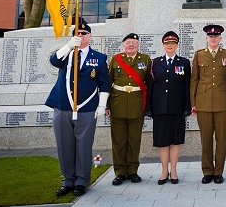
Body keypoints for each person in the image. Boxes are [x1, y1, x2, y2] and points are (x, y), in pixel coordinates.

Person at [46, 21, 110, 197]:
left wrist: (102, 105)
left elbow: (104, 83)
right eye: (78, 33)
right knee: (64, 144)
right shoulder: (66, 53)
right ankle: (68, 180)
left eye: (84, 33)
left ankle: (81, 180)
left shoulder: (99, 57)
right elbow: (54, 61)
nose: (81, 36)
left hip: (87, 107)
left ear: (90, 36)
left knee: (84, 145)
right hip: (63, 105)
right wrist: (68, 46)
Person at [145, 31, 191, 185]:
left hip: (177, 108)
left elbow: (187, 87)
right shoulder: (154, 63)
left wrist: (187, 107)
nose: (170, 46)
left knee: (175, 141)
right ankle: (164, 171)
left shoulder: (183, 62)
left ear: (177, 45)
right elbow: (151, 87)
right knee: (163, 141)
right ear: (163, 45)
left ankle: (174, 171)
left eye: (173, 43)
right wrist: (149, 107)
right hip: (160, 109)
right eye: (167, 43)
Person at [106, 32, 151, 185]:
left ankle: (133, 171)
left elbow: (149, 85)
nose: (131, 45)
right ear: (123, 45)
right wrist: (106, 105)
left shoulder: (145, 60)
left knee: (134, 140)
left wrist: (148, 105)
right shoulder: (115, 59)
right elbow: (107, 83)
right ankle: (119, 172)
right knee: (118, 141)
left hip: (136, 105)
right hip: (117, 104)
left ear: (138, 45)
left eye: (134, 43)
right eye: (128, 43)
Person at [190, 24, 226, 184]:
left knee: (222, 139)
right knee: (206, 139)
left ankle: (218, 172)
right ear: (207, 38)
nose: (213, 39)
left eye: (216, 36)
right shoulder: (199, 55)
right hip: (203, 102)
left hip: (222, 103)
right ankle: (207, 171)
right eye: (210, 36)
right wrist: (193, 102)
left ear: (220, 38)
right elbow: (194, 80)